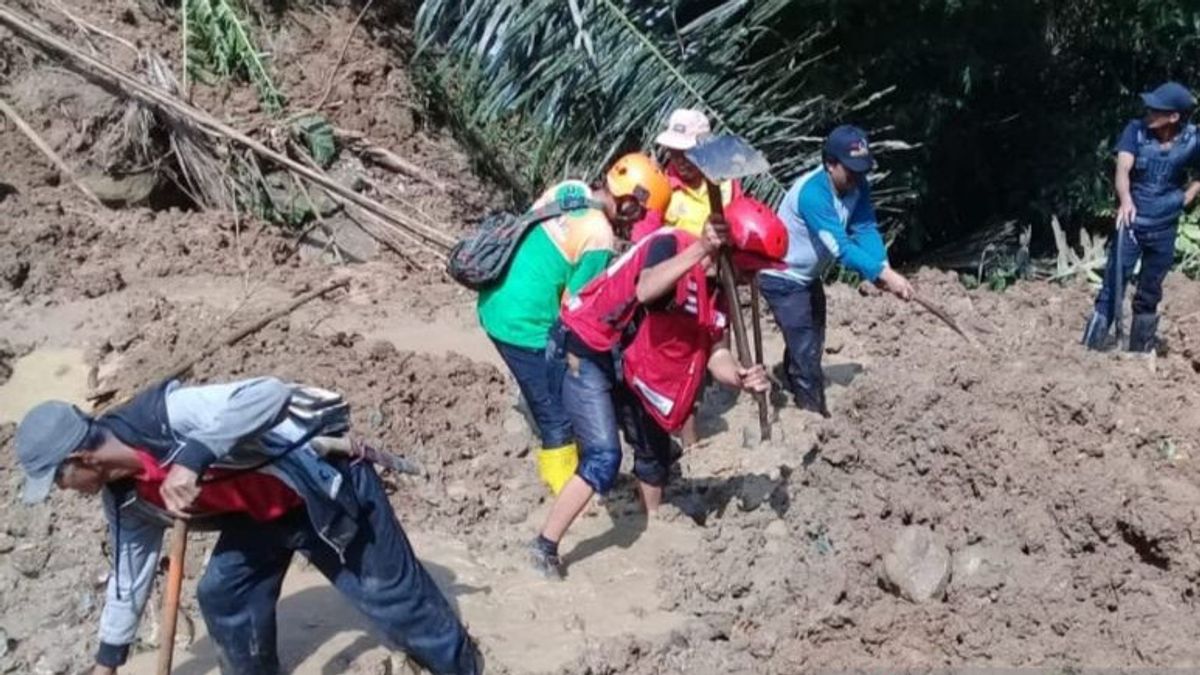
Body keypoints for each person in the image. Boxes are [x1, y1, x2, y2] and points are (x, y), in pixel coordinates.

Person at [12, 377, 481, 675]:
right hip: (260, 515)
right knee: (223, 593)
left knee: (392, 598)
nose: (64, 490)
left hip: (323, 488)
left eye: (58, 480)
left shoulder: (165, 417)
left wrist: (194, 457)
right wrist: (107, 662)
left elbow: (268, 395)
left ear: (79, 459)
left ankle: (462, 666)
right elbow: (128, 580)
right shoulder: (125, 499)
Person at [527, 211, 776, 579]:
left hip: (631, 358)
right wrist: (702, 248)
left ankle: (654, 528)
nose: (751, 280)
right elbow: (645, 288)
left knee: (655, 447)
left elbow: (715, 354)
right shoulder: (672, 243)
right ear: (728, 254)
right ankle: (545, 545)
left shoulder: (720, 294)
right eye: (749, 270)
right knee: (604, 456)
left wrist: (739, 377)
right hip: (585, 345)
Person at [477, 154, 670, 495]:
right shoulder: (600, 237)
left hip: (496, 298)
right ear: (629, 201)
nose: (638, 220)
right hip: (524, 325)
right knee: (557, 419)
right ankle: (565, 493)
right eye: (640, 211)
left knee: (552, 392)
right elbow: (578, 308)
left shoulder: (569, 190)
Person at [760, 125, 914, 415]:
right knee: (805, 346)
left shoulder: (857, 186)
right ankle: (812, 412)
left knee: (812, 338)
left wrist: (882, 266)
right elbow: (840, 248)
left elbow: (865, 227)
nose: (858, 178)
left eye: (862, 170)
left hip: (807, 277)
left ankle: (791, 376)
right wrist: (883, 276)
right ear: (830, 164)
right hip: (782, 277)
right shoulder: (813, 195)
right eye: (851, 170)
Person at [1082, 81, 1200, 352]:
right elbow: (1123, 169)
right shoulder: (1135, 132)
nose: (1149, 113)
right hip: (1132, 224)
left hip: (1165, 226)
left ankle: (1139, 352)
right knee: (1112, 287)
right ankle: (1088, 351)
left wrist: (1188, 196)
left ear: (1174, 117)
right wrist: (1125, 200)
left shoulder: (1193, 141)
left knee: (1150, 292)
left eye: (1157, 110)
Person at [632, 109, 742, 242]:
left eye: (688, 152)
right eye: (674, 152)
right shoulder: (660, 190)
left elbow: (740, 231)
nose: (680, 160)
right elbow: (642, 245)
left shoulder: (727, 184)